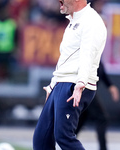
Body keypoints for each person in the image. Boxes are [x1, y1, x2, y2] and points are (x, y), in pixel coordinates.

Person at [33, 0, 107, 149]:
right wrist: (53, 85)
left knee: (64, 136)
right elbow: (66, 59)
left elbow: (88, 55)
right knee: (41, 139)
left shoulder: (91, 21)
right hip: (61, 83)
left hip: (74, 84)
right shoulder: (74, 21)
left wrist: (80, 83)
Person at [76, 61, 120, 150]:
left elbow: (100, 69)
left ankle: (66, 141)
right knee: (102, 118)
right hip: (85, 90)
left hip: (88, 92)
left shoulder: (97, 55)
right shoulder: (89, 51)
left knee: (82, 119)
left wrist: (110, 85)